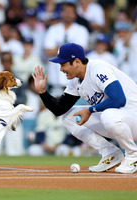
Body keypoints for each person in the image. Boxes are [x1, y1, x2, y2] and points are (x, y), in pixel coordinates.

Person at [32, 42, 137, 174]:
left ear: (76, 62)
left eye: (63, 64)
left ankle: (133, 155)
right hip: (118, 122)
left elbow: (119, 99)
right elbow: (59, 109)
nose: (61, 69)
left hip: (132, 116)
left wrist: (90, 110)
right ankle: (110, 153)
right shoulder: (75, 81)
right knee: (69, 117)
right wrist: (43, 92)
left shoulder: (97, 68)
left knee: (108, 115)